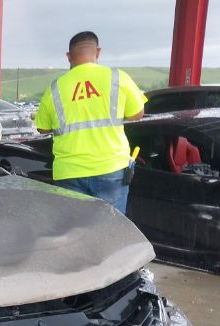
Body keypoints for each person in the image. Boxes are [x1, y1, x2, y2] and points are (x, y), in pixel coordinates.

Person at [34, 31, 147, 213]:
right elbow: (137, 114)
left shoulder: (55, 87)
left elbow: (42, 127)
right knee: (110, 228)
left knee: (73, 230)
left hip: (69, 173)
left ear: (69, 56)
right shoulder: (118, 78)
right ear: (98, 52)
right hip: (111, 169)